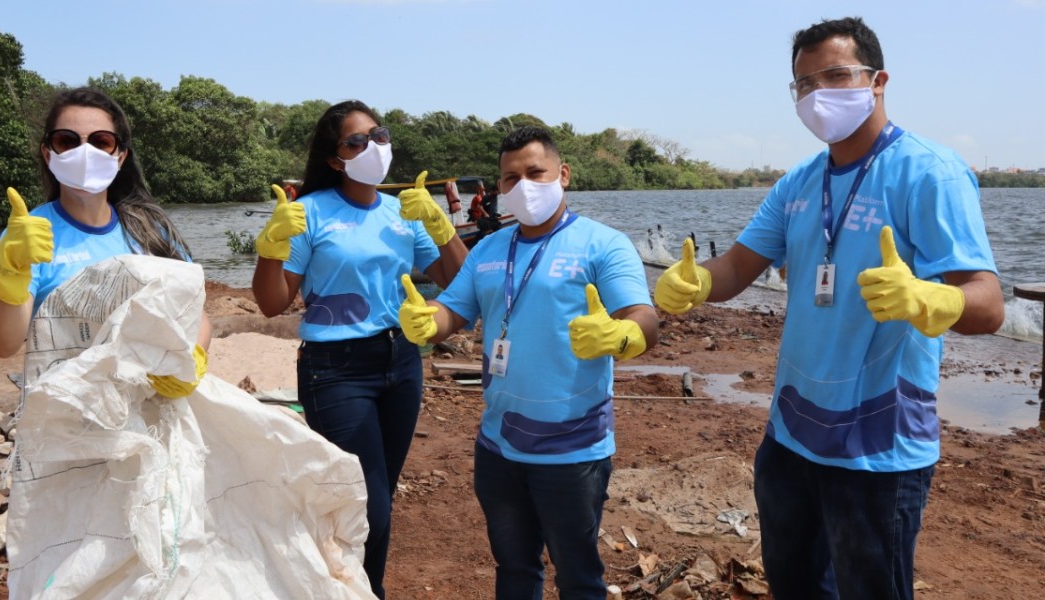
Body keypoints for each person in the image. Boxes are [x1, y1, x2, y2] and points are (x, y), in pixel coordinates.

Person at [653, 17, 1003, 600]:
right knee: (794, 585)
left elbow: (988, 304)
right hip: (791, 436)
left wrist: (932, 298)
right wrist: (693, 280)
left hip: (879, 448)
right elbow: (737, 267)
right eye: (805, 84)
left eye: (836, 76)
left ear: (878, 81)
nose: (819, 95)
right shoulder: (799, 183)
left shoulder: (929, 172)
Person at [398, 126, 659, 599]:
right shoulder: (490, 248)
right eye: (510, 178)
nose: (523, 186)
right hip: (498, 445)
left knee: (579, 576)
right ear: (499, 186)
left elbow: (642, 315)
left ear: (564, 174)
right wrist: (426, 319)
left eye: (535, 173)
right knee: (514, 568)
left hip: (573, 449)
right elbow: (454, 309)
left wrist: (624, 334)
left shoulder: (604, 243)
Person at [251, 99, 467, 599]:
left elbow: (460, 280)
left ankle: (357, 587)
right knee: (368, 503)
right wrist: (270, 249)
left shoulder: (402, 213)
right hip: (336, 370)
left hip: (402, 361)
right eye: (356, 141)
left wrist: (440, 225)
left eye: (379, 135)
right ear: (335, 159)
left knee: (378, 494)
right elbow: (271, 303)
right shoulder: (307, 213)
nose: (373, 147)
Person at [0, 87, 211, 395]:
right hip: (66, 408)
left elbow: (195, 313)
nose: (85, 153)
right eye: (67, 141)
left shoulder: (150, 230)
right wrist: (7, 269)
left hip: (149, 401)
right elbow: (5, 343)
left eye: (101, 141)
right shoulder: (28, 236)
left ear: (120, 156)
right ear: (48, 153)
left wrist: (194, 355)